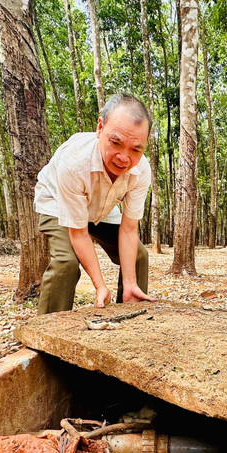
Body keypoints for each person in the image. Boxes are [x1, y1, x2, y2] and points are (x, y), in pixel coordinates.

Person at [34, 94, 157, 314]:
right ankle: (46, 335)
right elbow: (79, 232)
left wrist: (130, 282)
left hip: (101, 207)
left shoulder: (141, 171)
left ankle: (129, 316)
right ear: (100, 128)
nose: (123, 158)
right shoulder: (74, 162)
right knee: (66, 263)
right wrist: (100, 286)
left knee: (139, 255)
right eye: (115, 142)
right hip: (57, 201)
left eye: (136, 149)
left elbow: (129, 230)